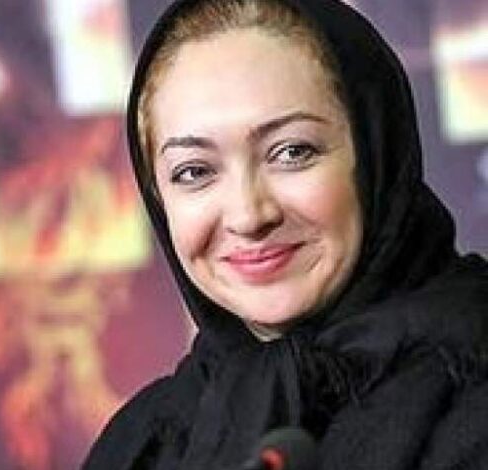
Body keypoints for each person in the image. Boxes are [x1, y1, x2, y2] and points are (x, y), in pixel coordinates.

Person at [83, 0, 488, 468]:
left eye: (292, 152)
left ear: (375, 153)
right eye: (195, 171)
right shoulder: (143, 445)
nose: (248, 216)